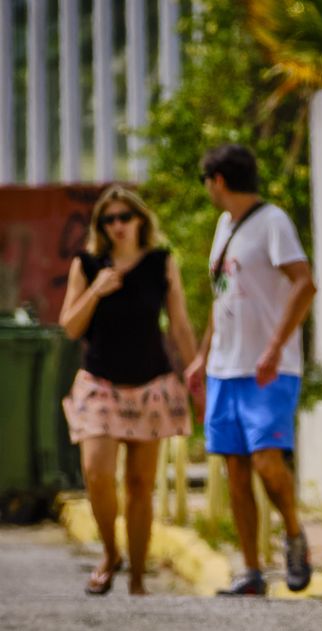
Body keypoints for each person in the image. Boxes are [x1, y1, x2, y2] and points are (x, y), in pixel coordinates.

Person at [183, 144, 317, 595]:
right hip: (225, 367)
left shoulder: (273, 222)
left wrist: (276, 347)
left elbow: (305, 282)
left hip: (267, 368)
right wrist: (203, 355)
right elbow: (223, 298)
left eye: (207, 183)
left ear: (217, 180)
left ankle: (295, 535)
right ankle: (252, 569)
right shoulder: (224, 227)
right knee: (236, 469)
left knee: (266, 461)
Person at [59, 186, 198, 595]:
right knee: (97, 473)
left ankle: (137, 577)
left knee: (140, 485)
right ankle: (109, 554)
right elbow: (69, 326)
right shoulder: (87, 265)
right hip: (100, 383)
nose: (117, 226)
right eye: (109, 220)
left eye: (125, 217)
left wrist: (194, 376)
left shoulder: (160, 263)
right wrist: (96, 290)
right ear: (100, 226)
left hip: (150, 385)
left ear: (140, 220)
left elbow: (180, 325)